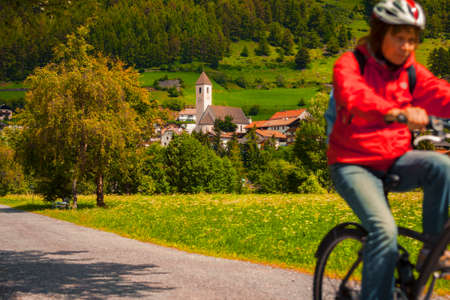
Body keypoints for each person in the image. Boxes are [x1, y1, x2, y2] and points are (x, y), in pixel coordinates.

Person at [327, 0, 450, 299]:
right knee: (384, 231)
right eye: (399, 38)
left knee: (442, 167)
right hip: (352, 164)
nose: (406, 46)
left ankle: (430, 250)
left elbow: (439, 94)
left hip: (394, 159)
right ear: (380, 34)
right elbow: (354, 97)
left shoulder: (411, 73)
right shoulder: (350, 64)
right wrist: (397, 112)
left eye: (412, 40)